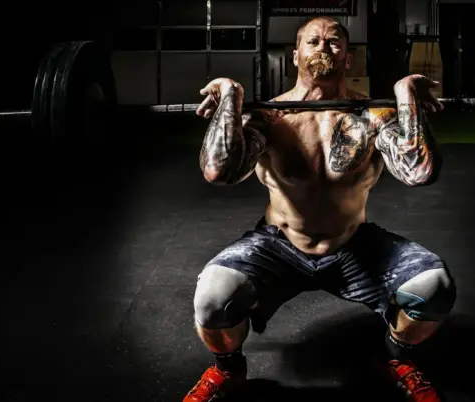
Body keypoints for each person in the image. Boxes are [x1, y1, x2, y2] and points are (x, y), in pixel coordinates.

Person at [185, 16, 456, 402]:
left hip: (353, 244)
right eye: (313, 42)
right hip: (280, 245)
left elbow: (420, 172)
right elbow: (219, 170)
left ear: (348, 59)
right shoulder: (269, 117)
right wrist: (230, 96)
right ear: (295, 55)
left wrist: (405, 93)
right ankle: (228, 369)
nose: (323, 48)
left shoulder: (372, 115)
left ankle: (398, 358)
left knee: (435, 286)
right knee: (212, 297)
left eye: (333, 43)